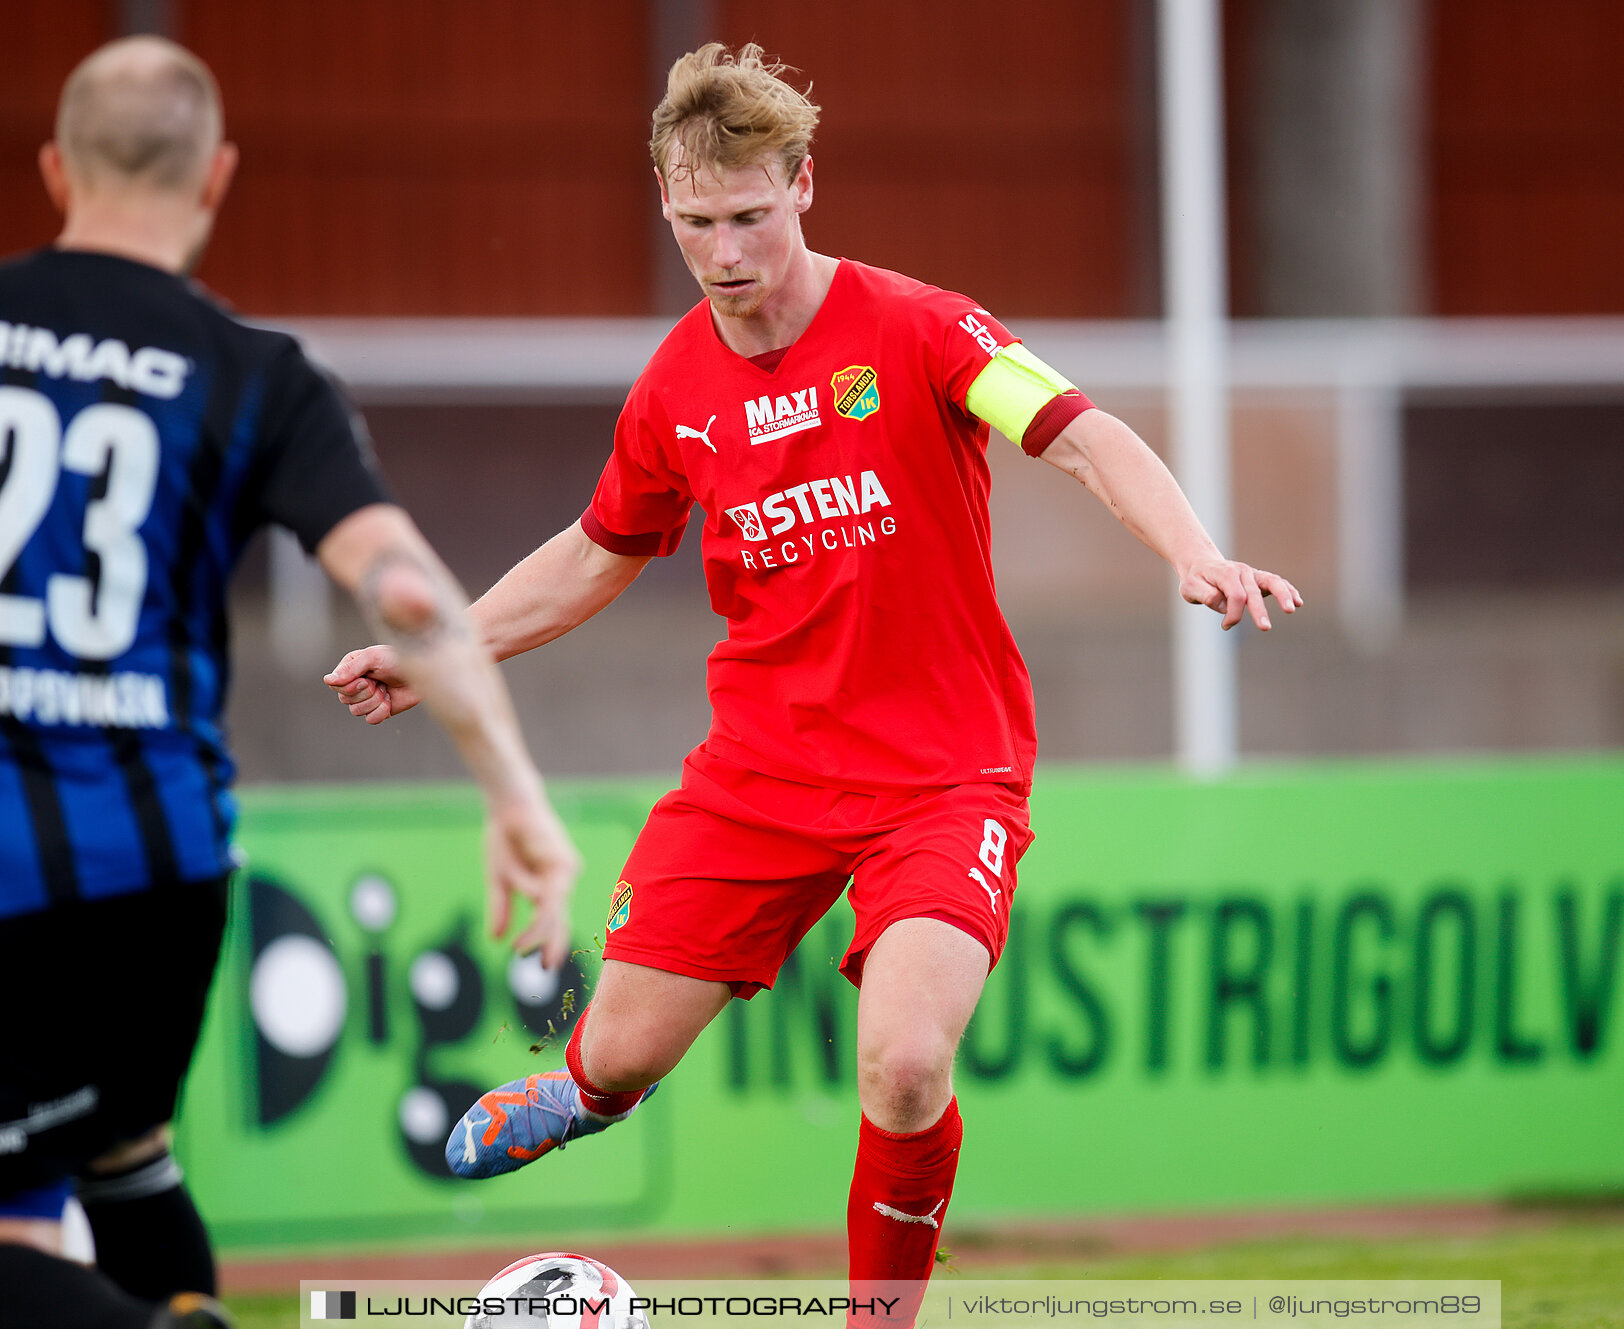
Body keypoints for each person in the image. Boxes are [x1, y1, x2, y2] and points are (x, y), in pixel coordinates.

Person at [327, 42, 1299, 1318]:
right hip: (763, 777)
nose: (724, 252)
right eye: (694, 224)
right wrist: (440, 647)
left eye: (747, 217)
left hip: (946, 778)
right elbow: (593, 555)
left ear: (801, 186)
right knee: (615, 1052)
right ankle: (588, 1091)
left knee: (902, 1064)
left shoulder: (919, 326)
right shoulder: (674, 388)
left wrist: (1195, 551)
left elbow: (1083, 434)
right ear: (666, 209)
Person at [0, 36, 581, 1329]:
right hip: (164, 877)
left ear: (53, 169)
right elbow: (414, 595)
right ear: (217, 178)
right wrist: (516, 797)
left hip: (11, 862)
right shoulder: (259, 376)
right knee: (117, 1151)